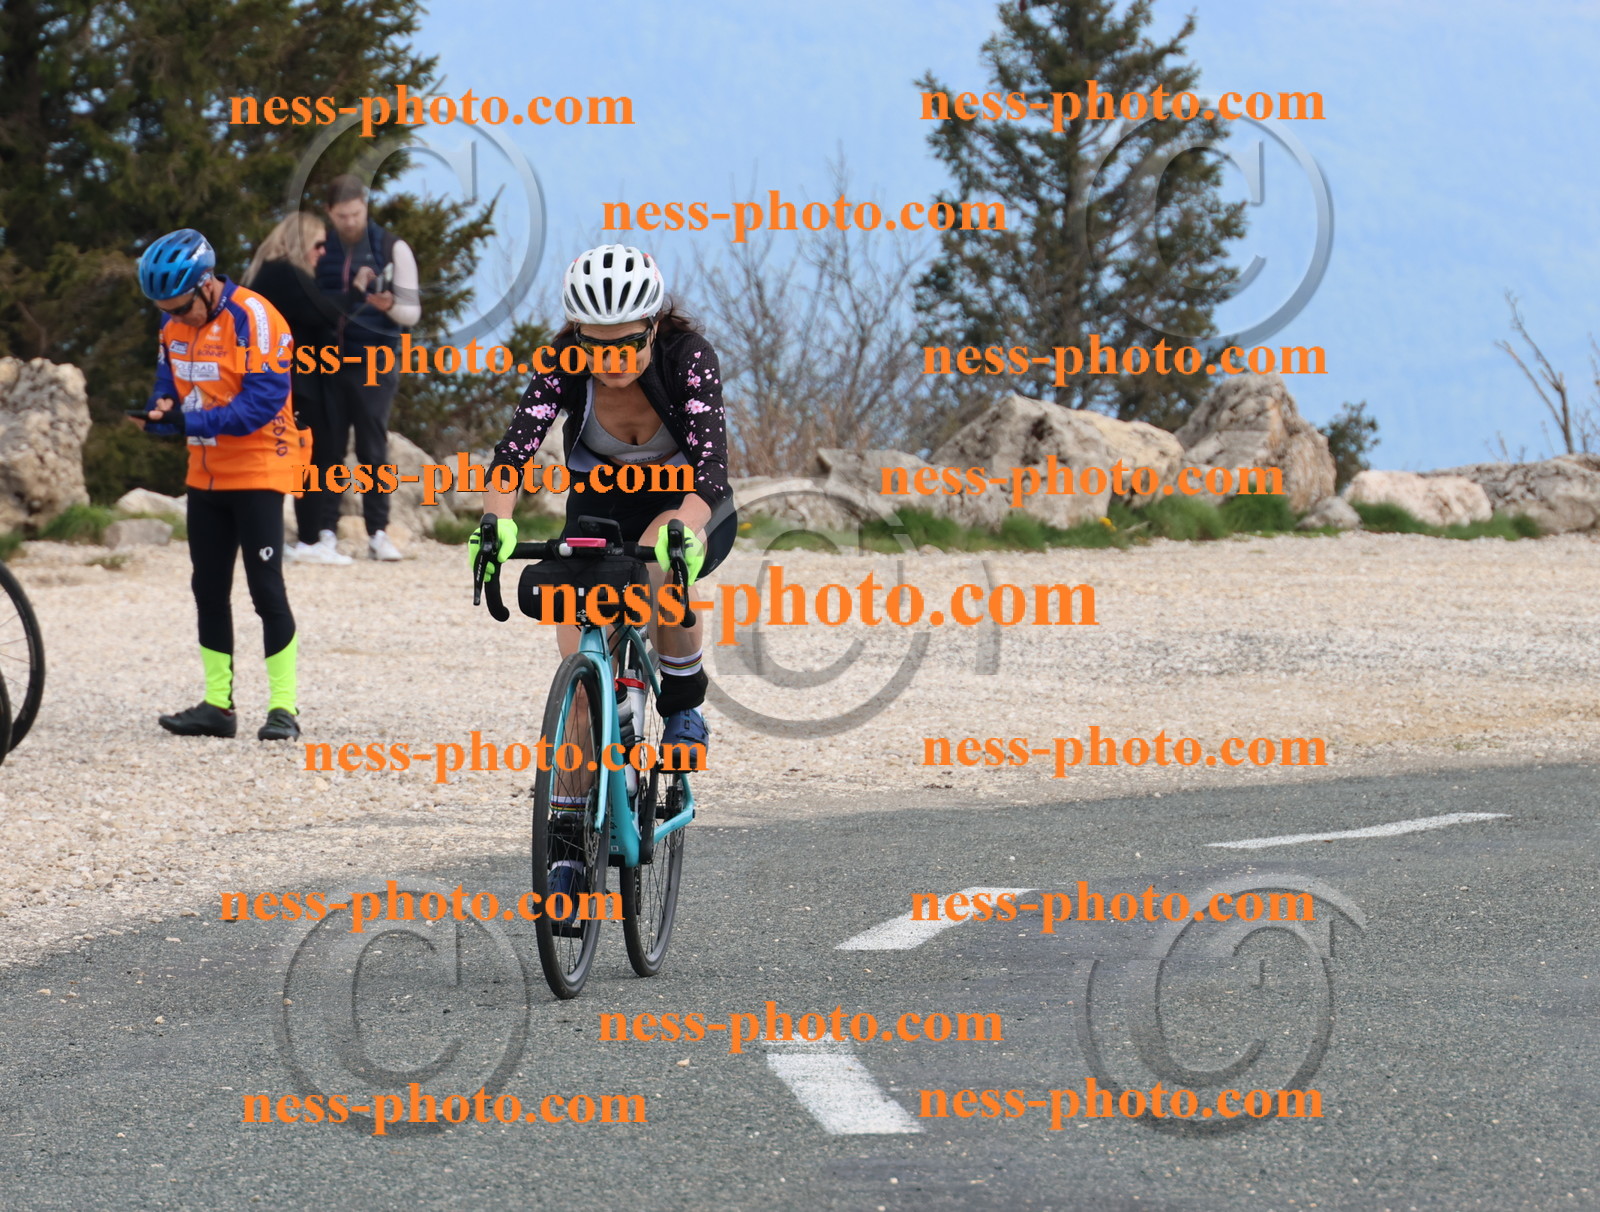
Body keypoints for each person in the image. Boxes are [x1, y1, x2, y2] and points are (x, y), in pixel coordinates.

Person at [476, 244, 737, 924]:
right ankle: (567, 852)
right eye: (597, 346)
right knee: (581, 692)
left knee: (659, 571)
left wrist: (683, 526)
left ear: (654, 327)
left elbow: (710, 467)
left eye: (627, 344)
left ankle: (682, 699)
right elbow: (516, 450)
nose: (612, 361)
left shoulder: (689, 357)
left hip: (687, 500)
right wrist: (495, 522)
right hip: (599, 504)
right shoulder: (563, 360)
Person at [131, 228, 310, 741]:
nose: (175, 316)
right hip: (204, 475)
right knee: (208, 590)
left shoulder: (256, 318)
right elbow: (169, 385)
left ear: (206, 284)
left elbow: (262, 402)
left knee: (266, 593)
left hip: (259, 469)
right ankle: (218, 706)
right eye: (165, 308)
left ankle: (283, 709)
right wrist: (161, 411)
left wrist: (192, 424)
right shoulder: (172, 326)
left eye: (181, 305)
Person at [313, 174, 421, 561]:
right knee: (327, 448)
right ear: (329, 213)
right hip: (326, 361)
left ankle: (378, 532)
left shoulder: (394, 248)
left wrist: (388, 304)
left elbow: (411, 313)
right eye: (342, 216)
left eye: (356, 213)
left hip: (376, 359)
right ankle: (324, 532)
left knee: (373, 448)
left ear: (366, 206)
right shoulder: (319, 249)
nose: (350, 222)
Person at [242, 212, 350, 566]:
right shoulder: (285, 273)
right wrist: (359, 293)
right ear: (300, 241)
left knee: (297, 460)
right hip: (299, 383)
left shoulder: (267, 273)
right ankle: (310, 538)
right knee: (313, 459)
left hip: (286, 379)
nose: (323, 253)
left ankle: (291, 536)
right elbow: (325, 314)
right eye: (319, 244)